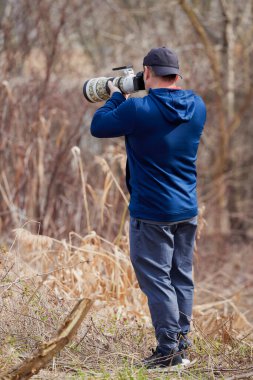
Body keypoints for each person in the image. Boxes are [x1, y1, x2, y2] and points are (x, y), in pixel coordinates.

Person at [90, 47, 206, 369]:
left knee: (156, 279)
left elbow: (98, 126)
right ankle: (181, 343)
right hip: (187, 207)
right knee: (180, 276)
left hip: (152, 212)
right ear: (177, 75)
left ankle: (169, 352)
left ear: (147, 72)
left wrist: (116, 94)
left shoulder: (138, 110)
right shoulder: (197, 105)